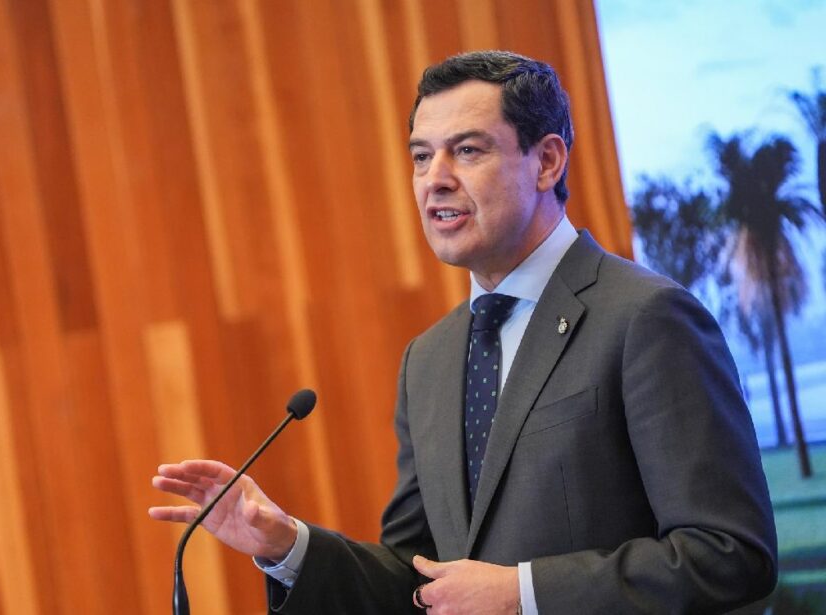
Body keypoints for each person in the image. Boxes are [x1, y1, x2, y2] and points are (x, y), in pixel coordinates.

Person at [149, 50, 777, 614]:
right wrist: (286, 544)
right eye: (422, 156)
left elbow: (728, 555)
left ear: (547, 161)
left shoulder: (646, 317)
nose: (435, 179)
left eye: (468, 151)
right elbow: (416, 576)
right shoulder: (430, 358)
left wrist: (521, 594)